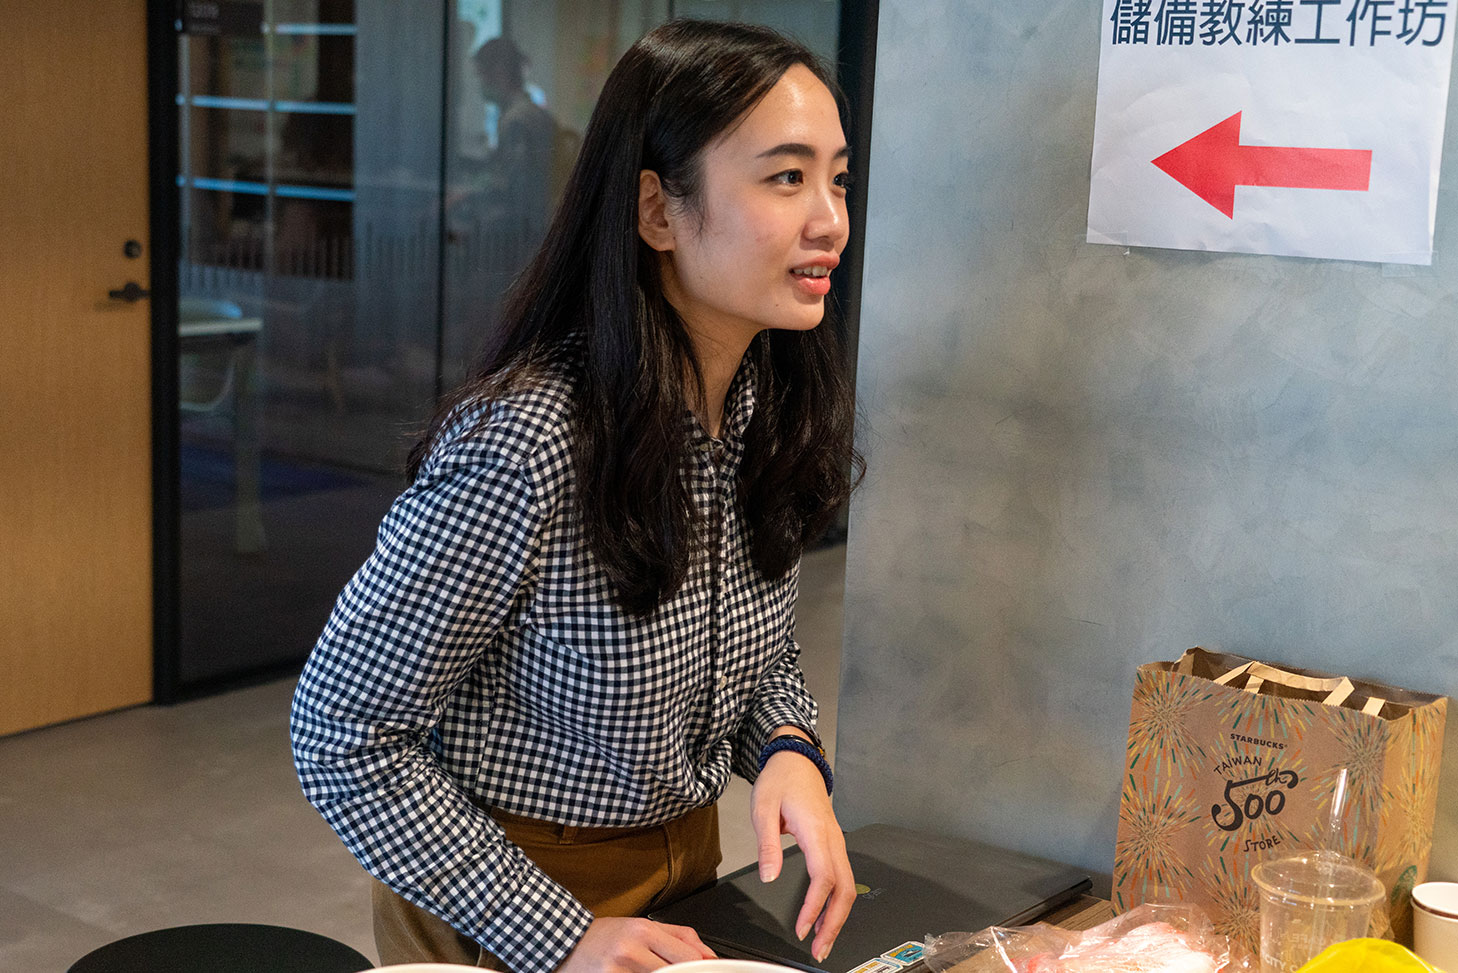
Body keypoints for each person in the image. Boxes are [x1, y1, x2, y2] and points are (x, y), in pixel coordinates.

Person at [291, 19, 862, 973]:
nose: (830, 220)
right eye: (785, 177)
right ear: (657, 212)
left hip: (683, 877)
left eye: (837, 179)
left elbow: (753, 650)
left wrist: (789, 746)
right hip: (501, 904)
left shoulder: (761, 403)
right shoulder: (528, 441)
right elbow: (342, 732)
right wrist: (562, 935)